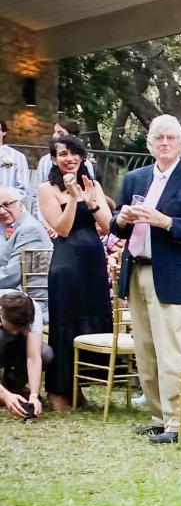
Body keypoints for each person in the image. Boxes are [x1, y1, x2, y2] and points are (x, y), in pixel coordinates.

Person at [110, 116, 181, 443]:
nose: (165, 143)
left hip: (171, 274)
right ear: (150, 144)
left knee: (171, 351)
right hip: (136, 270)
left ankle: (180, 425)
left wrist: (166, 222)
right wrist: (122, 218)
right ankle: (158, 418)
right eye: (159, 138)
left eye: (171, 137)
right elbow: (115, 226)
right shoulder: (135, 178)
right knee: (145, 348)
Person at [37, 135, 113, 412]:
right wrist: (71, 199)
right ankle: (59, 391)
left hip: (93, 261)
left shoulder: (93, 185)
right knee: (65, 326)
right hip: (66, 264)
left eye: (75, 153)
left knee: (91, 323)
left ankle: (81, 385)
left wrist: (91, 201)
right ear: (54, 159)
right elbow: (62, 229)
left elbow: (108, 225)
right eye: (63, 154)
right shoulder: (47, 189)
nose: (70, 158)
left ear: (82, 157)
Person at [0, 290, 47, 419]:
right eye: (12, 328)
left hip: (13, 349)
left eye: (20, 329)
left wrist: (34, 396)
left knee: (45, 353)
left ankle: (12, 387)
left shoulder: (33, 309)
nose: (15, 333)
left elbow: (34, 357)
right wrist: (4, 395)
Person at [0, 186, 51, 292]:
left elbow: (12, 275)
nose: (1, 211)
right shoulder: (8, 225)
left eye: (6, 205)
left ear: (19, 203)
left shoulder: (30, 229)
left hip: (26, 300)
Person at [35, 119, 97, 186]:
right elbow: (37, 188)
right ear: (54, 160)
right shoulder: (45, 160)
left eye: (60, 133)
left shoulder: (86, 164)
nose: (55, 136)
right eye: (54, 132)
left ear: (73, 136)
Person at [0, 119, 30, 199]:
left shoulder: (18, 157)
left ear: (4, 132)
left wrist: (6, 200)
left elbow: (23, 190)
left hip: (7, 207)